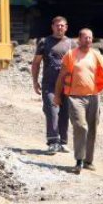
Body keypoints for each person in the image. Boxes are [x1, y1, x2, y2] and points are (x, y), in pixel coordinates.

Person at [54, 28, 103, 174]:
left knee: (92, 129)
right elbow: (61, 78)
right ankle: (79, 160)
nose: (88, 40)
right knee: (81, 127)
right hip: (75, 98)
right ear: (79, 39)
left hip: (94, 97)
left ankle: (89, 161)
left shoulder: (96, 55)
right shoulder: (70, 55)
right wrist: (57, 96)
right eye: (85, 38)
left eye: (90, 38)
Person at [31, 16, 77, 153]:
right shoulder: (44, 42)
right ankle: (52, 141)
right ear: (52, 27)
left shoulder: (72, 44)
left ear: (66, 27)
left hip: (67, 85)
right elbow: (36, 63)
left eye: (62, 25)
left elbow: (78, 65)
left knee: (65, 113)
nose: (60, 28)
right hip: (49, 85)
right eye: (57, 25)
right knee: (52, 110)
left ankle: (62, 142)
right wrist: (35, 81)